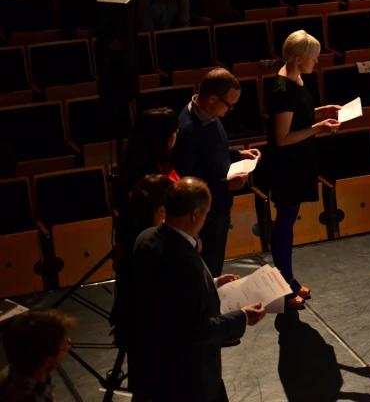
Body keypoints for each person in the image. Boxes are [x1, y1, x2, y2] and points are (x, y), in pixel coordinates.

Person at [132, 178, 266, 402]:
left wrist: (213, 283)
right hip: (186, 380)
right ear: (195, 214)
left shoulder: (146, 238)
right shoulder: (183, 259)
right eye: (205, 213)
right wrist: (243, 317)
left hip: (151, 369)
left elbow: (168, 293)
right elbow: (197, 329)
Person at [266, 31, 340, 310]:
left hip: (299, 162)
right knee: (284, 223)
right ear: (298, 59)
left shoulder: (297, 79)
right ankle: (283, 284)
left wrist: (322, 112)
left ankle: (289, 277)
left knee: (289, 221)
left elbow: (302, 114)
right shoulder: (282, 90)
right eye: (313, 58)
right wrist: (318, 128)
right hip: (287, 166)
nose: (317, 62)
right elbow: (282, 138)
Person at [172, 68, 259, 277]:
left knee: (214, 270)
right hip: (203, 218)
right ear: (212, 98)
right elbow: (185, 183)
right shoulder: (186, 131)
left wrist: (238, 154)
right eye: (229, 105)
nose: (231, 110)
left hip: (217, 209)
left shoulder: (209, 115)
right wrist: (225, 185)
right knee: (205, 276)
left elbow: (211, 151)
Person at [109, 174, 172, 391]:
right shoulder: (154, 244)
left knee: (143, 387)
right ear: (162, 211)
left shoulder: (133, 232)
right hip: (149, 329)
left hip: (134, 322)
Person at [0, 309, 75, 402]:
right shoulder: (35, 398)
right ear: (48, 361)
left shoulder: (7, 374)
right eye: (65, 345)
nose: (67, 347)